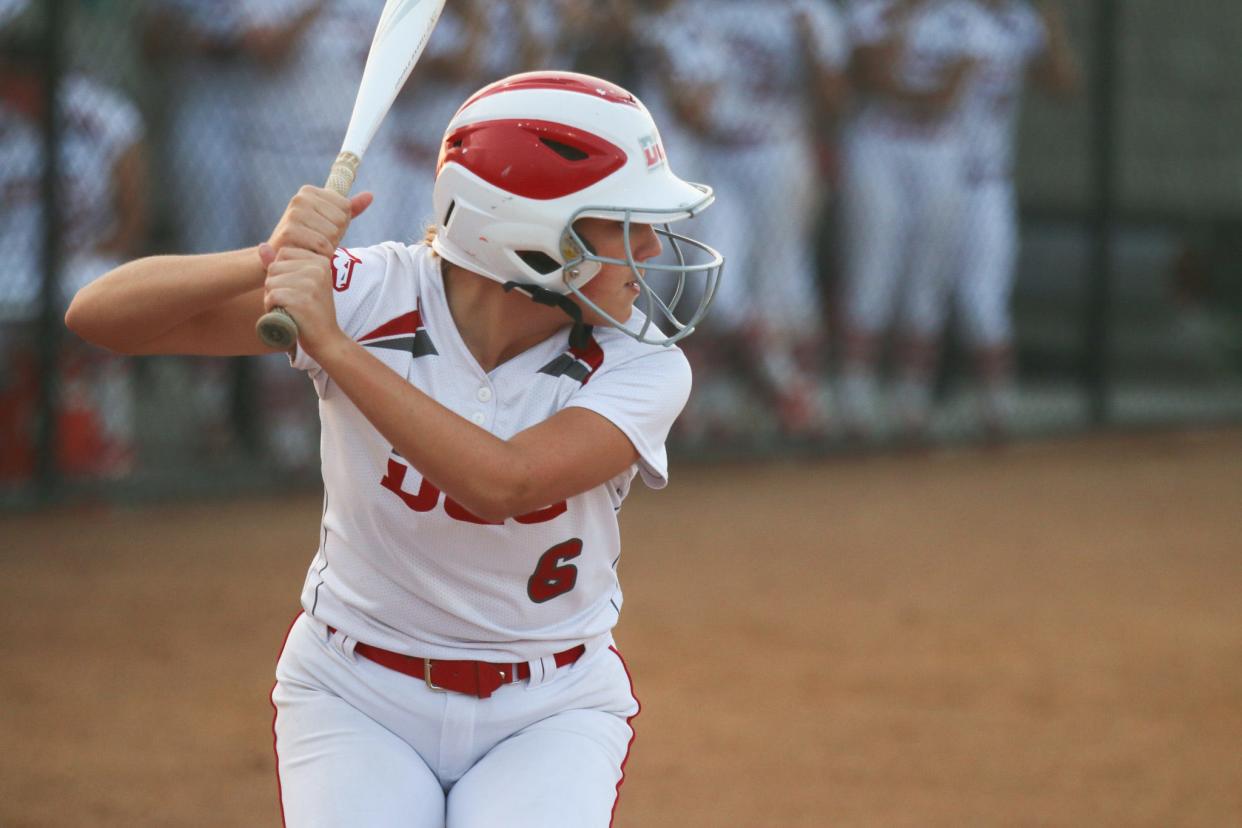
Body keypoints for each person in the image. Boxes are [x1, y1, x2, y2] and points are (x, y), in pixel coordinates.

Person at [65, 70, 723, 827]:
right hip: (354, 693)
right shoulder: (370, 289)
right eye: (623, 224)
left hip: (551, 707)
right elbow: (100, 316)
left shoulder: (645, 364)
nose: (651, 247)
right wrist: (266, 257)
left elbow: (506, 483)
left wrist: (335, 350)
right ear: (531, 236)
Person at [646, 0, 850, 442]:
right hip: (710, 161)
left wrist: (811, 48)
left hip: (775, 151)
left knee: (783, 283)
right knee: (706, 287)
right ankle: (721, 399)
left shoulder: (808, 13)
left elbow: (837, 99)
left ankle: (798, 394)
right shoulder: (695, 13)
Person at [836, 0, 989, 440]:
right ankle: (854, 399)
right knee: (871, 274)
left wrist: (903, 91)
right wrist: (903, 23)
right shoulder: (872, 10)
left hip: (940, 152)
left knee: (927, 280)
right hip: (877, 146)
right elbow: (869, 76)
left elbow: (948, 96)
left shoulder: (967, 17)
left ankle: (912, 399)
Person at [0, 29, 148, 480]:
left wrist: (116, 247)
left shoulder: (101, 115)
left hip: (82, 260)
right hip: (10, 265)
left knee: (104, 302)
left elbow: (133, 212)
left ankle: (112, 448)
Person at [947, 0, 1078, 437]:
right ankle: (906, 406)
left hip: (988, 182)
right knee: (913, 301)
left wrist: (1051, 18)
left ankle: (997, 407)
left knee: (982, 302)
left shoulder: (1019, 22)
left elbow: (1062, 84)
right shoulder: (945, 15)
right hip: (928, 174)